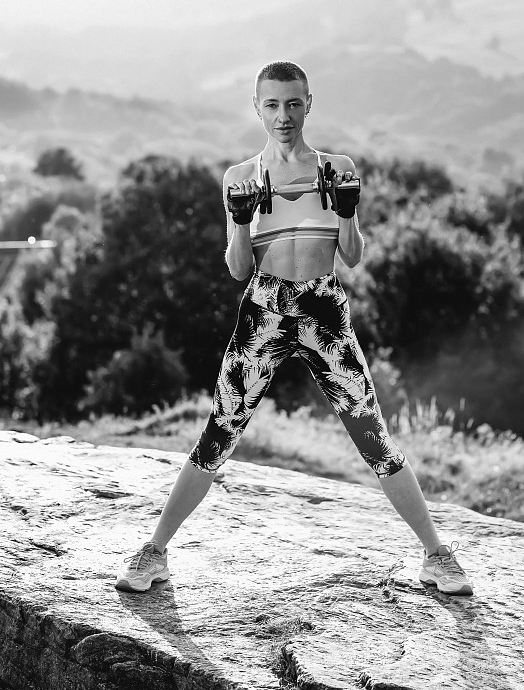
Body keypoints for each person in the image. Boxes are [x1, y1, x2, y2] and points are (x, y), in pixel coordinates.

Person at [116, 61, 473, 596]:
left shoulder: (336, 168)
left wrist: (347, 213)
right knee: (220, 432)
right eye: (272, 104)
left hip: (323, 307)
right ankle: (154, 552)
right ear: (256, 107)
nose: (283, 115)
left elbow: (351, 254)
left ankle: (438, 556)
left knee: (372, 433)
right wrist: (240, 221)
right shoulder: (240, 178)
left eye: (293, 103)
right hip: (265, 307)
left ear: (309, 104)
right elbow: (238, 267)